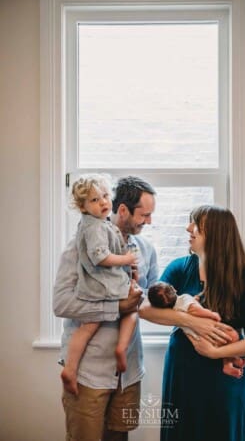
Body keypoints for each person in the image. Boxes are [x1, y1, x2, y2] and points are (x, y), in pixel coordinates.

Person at [139, 205, 245, 441]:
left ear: (215, 233)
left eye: (196, 224)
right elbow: (145, 310)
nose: (188, 228)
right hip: (181, 374)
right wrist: (190, 320)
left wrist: (217, 352)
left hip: (223, 381)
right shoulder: (180, 268)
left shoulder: (242, 277)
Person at [53, 176, 159, 441]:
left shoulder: (146, 250)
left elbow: (148, 301)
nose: (149, 222)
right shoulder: (81, 247)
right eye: (144, 215)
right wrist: (116, 307)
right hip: (89, 372)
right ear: (122, 210)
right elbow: (61, 303)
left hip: (128, 373)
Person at [61, 174, 139, 396]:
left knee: (88, 328)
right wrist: (127, 260)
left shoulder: (97, 223)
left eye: (105, 196)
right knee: (131, 309)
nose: (103, 202)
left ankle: (70, 368)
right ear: (82, 206)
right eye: (95, 200)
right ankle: (121, 348)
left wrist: (130, 265)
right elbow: (100, 257)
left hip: (99, 284)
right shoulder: (94, 227)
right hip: (103, 284)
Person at [148, 281, 245, 378]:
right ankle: (229, 362)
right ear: (173, 288)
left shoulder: (173, 311)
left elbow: (189, 307)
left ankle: (231, 361)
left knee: (223, 345)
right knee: (233, 336)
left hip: (199, 338)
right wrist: (211, 314)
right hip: (209, 331)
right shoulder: (184, 298)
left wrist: (194, 299)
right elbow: (195, 310)